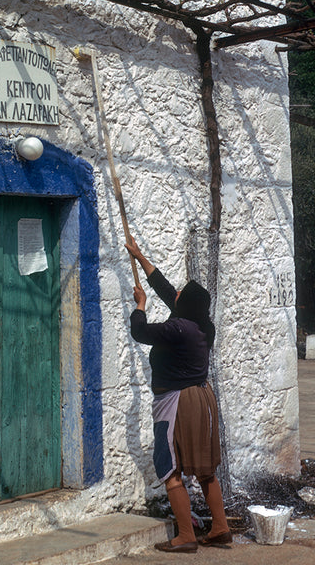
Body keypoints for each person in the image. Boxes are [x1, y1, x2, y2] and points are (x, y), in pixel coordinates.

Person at [126, 237, 231, 553]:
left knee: (169, 466)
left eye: (181, 296)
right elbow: (167, 289)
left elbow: (140, 332)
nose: (177, 296)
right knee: (205, 469)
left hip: (176, 402)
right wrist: (140, 256)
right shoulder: (200, 324)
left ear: (185, 305)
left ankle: (185, 536)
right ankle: (221, 528)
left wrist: (140, 306)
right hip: (201, 398)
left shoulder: (179, 328)